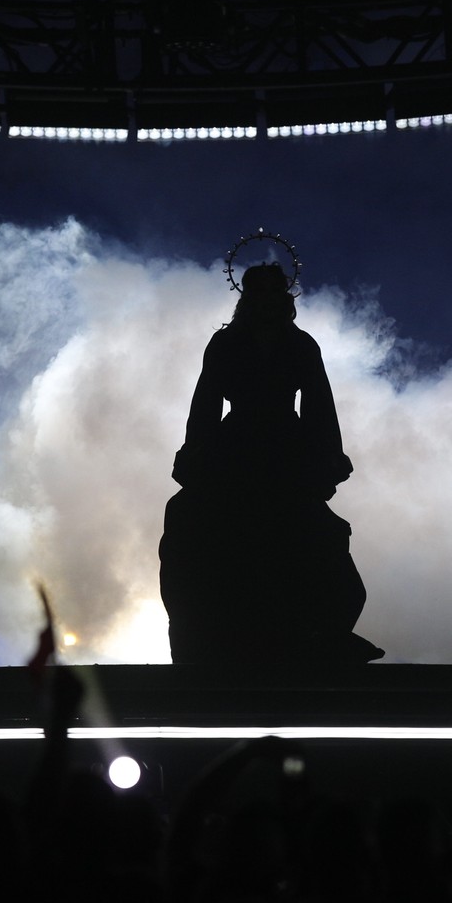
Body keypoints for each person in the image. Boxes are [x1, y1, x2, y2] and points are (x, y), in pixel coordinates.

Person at [160, 262, 382, 663]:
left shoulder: (301, 346)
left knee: (313, 530)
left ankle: (320, 630)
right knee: (187, 518)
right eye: (256, 291)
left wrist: (325, 454)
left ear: (283, 297)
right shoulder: (224, 344)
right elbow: (206, 401)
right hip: (235, 444)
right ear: (247, 297)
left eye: (272, 291)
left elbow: (318, 403)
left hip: (285, 445)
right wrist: (197, 451)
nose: (264, 298)